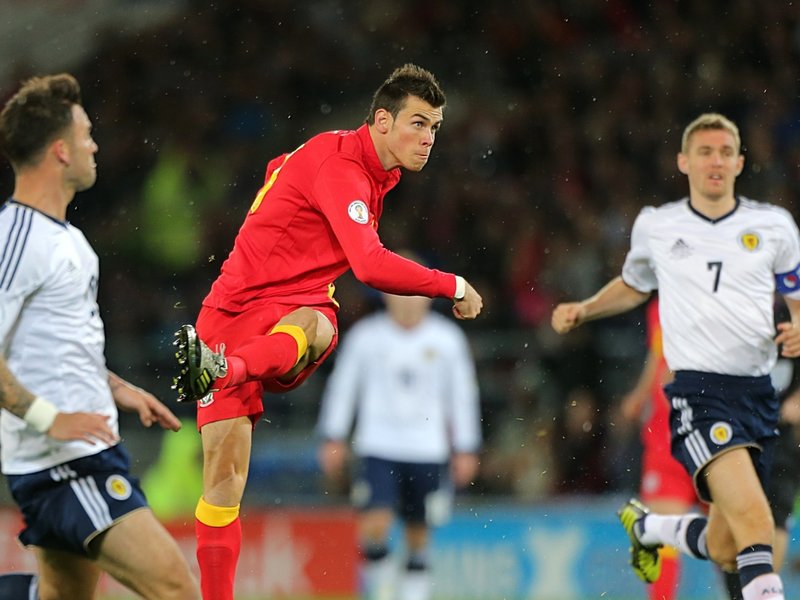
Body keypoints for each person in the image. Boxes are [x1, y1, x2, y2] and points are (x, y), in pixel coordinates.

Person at [170, 64, 483, 600]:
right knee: (225, 481)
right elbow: (369, 265)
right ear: (381, 121)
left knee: (319, 320)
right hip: (244, 308)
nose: (428, 138)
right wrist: (451, 284)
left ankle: (223, 367)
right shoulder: (344, 167)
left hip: (238, 317)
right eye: (417, 123)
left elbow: (280, 170)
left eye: (434, 126)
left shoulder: (353, 164)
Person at [551, 112, 800, 600]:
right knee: (757, 523)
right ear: (684, 161)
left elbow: (795, 290)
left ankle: (649, 529)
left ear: (740, 163)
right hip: (699, 394)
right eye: (705, 152)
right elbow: (633, 285)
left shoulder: (773, 226)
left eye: (726, 153)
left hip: (758, 397)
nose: (716, 161)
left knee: (729, 546)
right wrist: (586, 309)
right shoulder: (659, 226)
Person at [0, 74, 200, 599]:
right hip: (64, 462)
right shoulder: (15, 237)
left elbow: (55, 348)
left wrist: (117, 388)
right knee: (176, 588)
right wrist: (52, 418)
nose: (95, 144)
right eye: (86, 133)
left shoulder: (69, 240)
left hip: (81, 451)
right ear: (60, 151)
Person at [316, 281, 482, 600]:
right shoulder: (366, 337)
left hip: (427, 450)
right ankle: (382, 590)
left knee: (418, 532)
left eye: (413, 294)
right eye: (399, 293)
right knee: (375, 526)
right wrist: (332, 436)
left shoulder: (447, 339)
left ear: (427, 298)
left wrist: (466, 447)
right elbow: (343, 388)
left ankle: (411, 595)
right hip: (378, 446)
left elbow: (462, 396)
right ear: (384, 296)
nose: (407, 302)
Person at [619, 296, 702, 600]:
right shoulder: (663, 304)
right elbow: (659, 359)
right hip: (671, 437)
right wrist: (641, 395)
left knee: (726, 541)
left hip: (707, 434)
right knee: (665, 531)